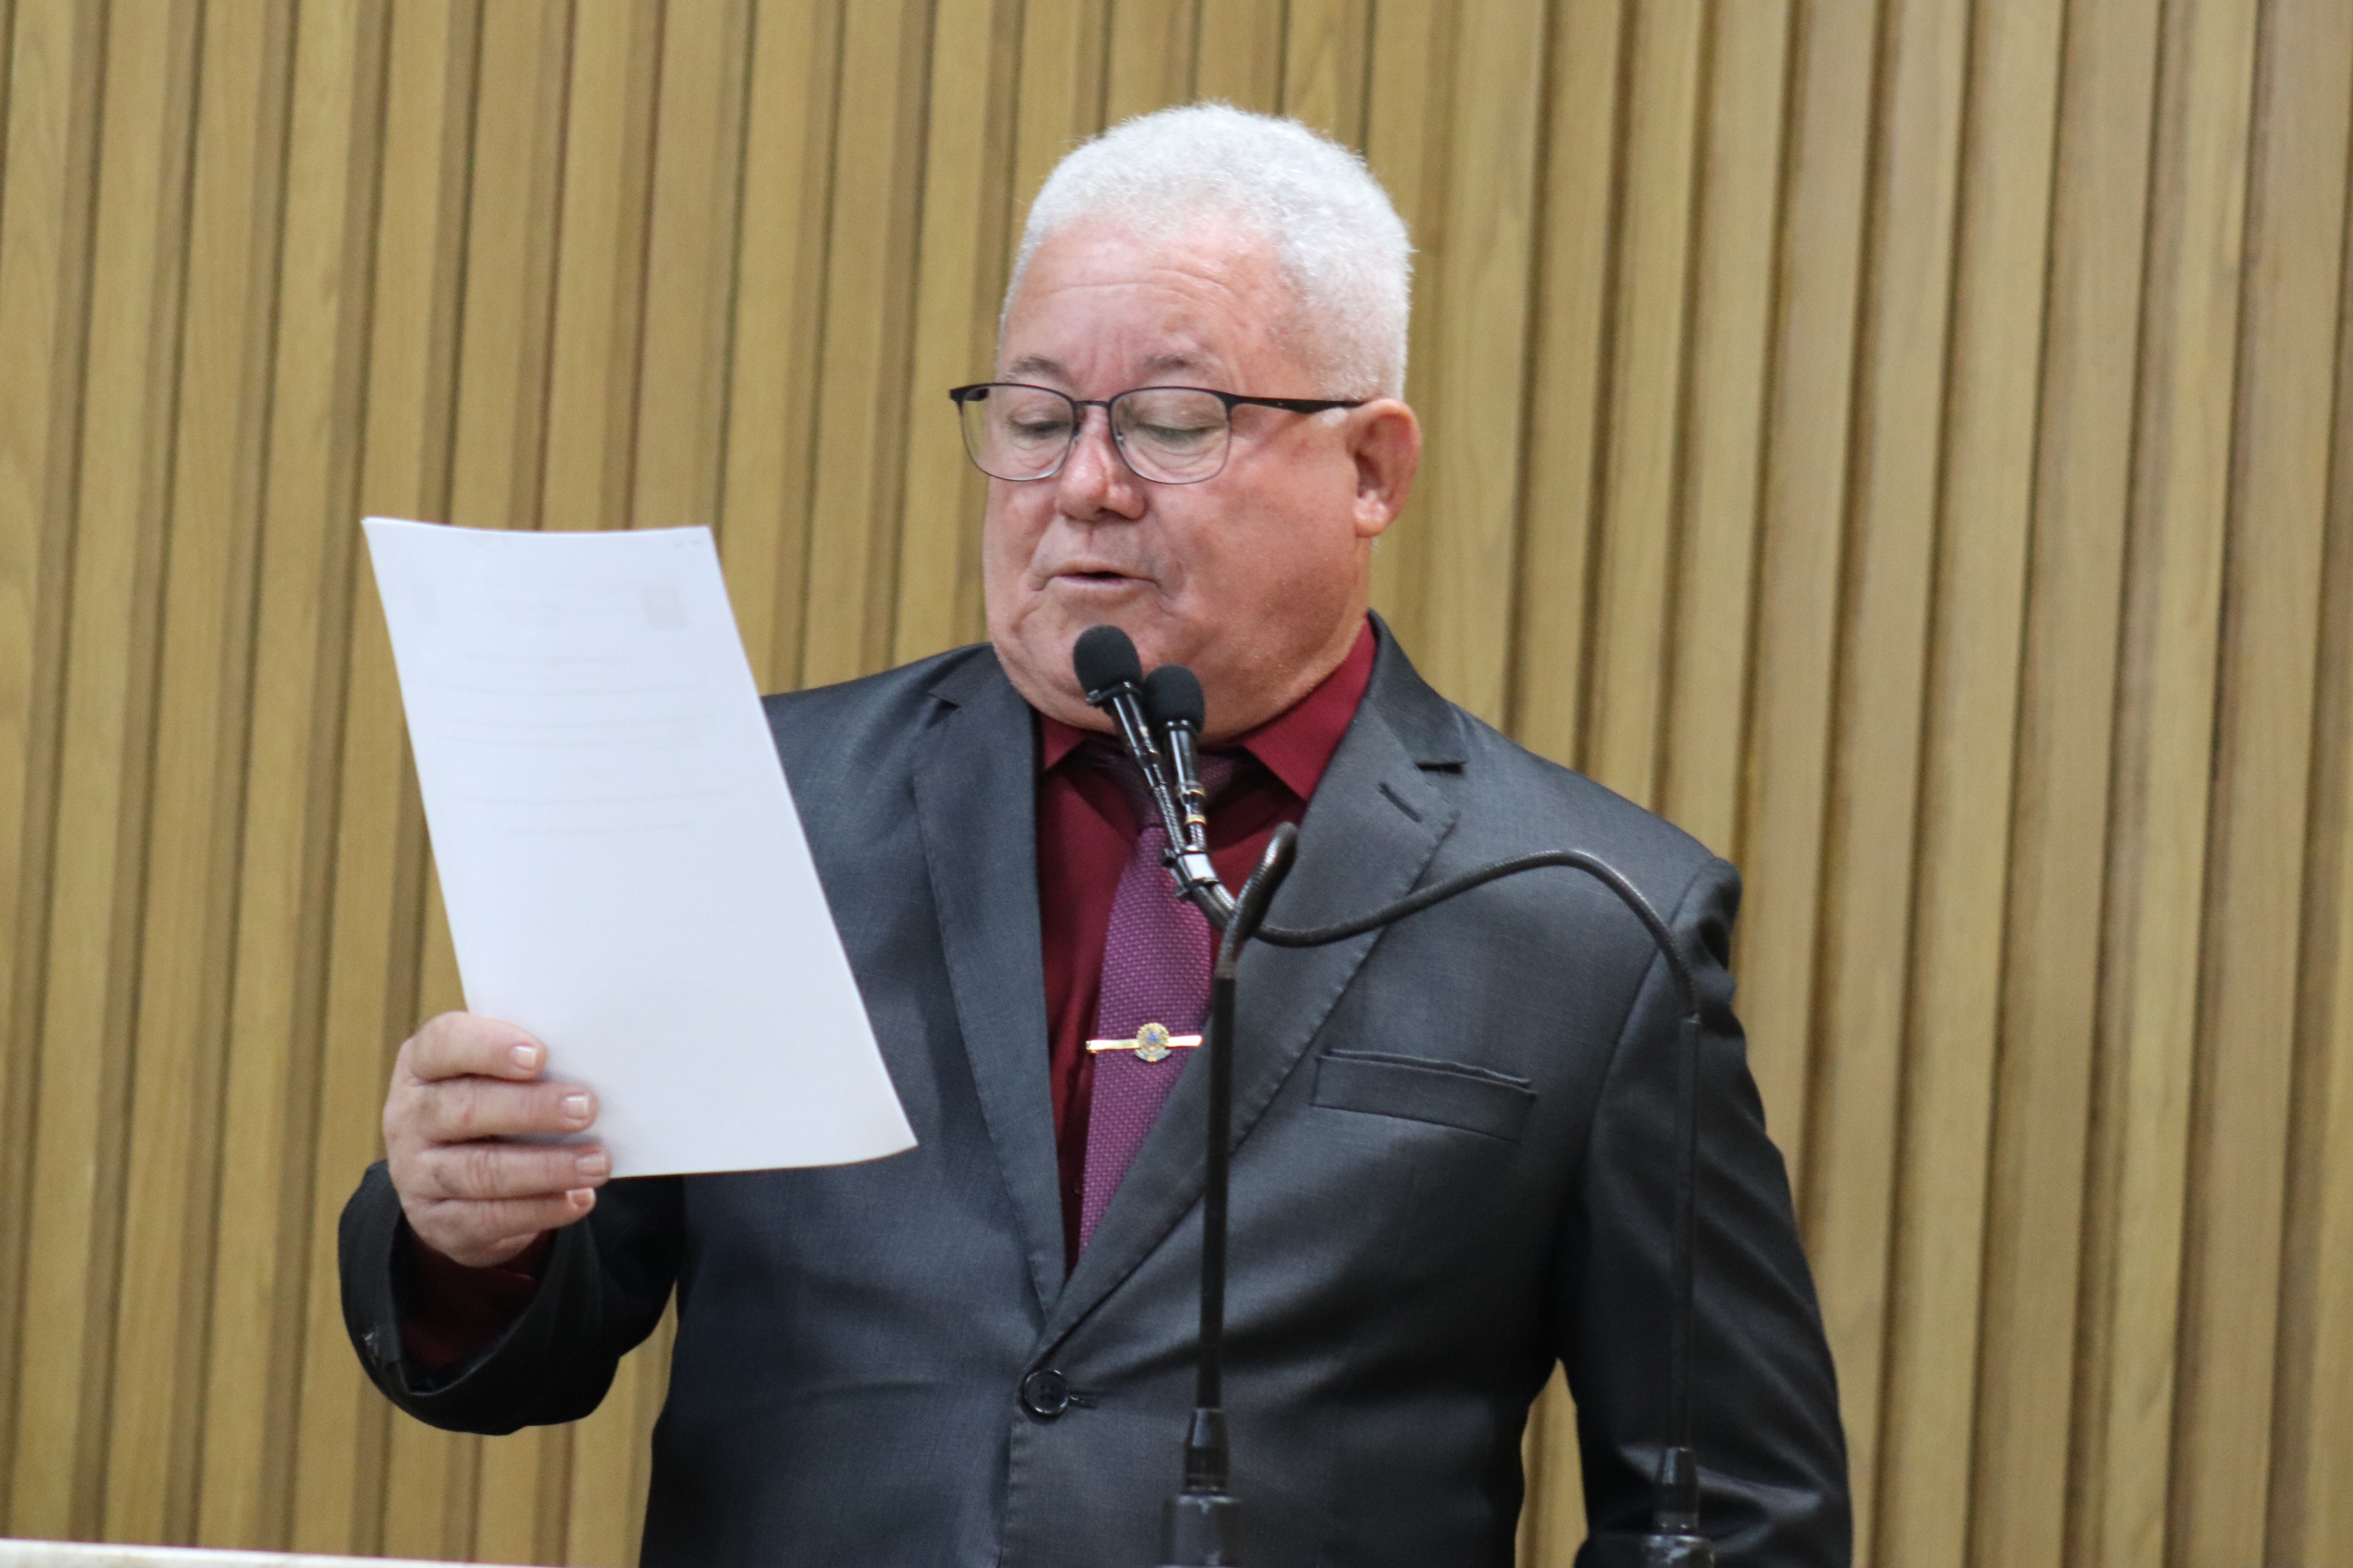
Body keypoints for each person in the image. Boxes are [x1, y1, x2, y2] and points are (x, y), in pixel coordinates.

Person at [340, 104, 1847, 1567]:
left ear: (1371, 469)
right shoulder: (765, 807)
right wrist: (470, 1224)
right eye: (1036, 418)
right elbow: (535, 1335)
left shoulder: (1589, 917)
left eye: (1174, 424)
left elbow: (1727, 1511)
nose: (1083, 486)